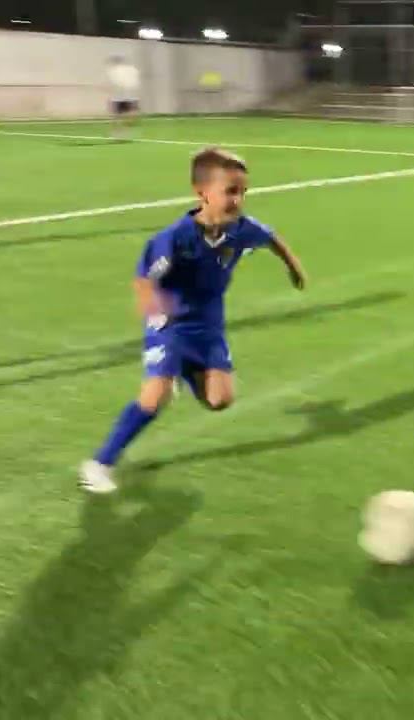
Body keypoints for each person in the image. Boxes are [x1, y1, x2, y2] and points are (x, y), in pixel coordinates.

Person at [79, 148, 307, 494]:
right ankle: (100, 463)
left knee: (220, 400)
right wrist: (155, 314)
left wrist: (294, 268)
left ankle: (182, 371)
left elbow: (272, 238)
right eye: (230, 191)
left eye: (243, 191)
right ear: (202, 192)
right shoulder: (175, 238)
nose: (238, 199)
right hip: (171, 324)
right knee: (153, 398)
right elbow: (144, 279)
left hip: (209, 327)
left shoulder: (242, 229)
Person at [107, 56, 141, 137]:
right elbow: (135, 82)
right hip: (132, 95)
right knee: (132, 112)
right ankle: (126, 128)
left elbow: (115, 83)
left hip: (119, 96)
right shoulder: (132, 69)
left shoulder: (114, 71)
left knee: (116, 115)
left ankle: (119, 131)